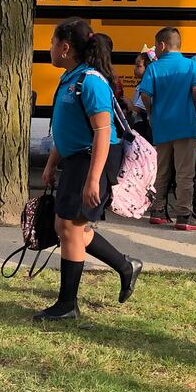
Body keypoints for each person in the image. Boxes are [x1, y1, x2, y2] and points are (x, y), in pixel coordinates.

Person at [35, 18, 142, 322]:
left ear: (65, 47)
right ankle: (125, 265)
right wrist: (52, 163)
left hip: (90, 161)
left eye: (53, 43)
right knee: (68, 227)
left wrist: (93, 179)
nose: (50, 48)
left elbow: (102, 133)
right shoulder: (70, 77)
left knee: (69, 228)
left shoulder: (91, 81)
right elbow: (68, 128)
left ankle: (68, 304)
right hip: (75, 161)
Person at [137, 27, 196, 231]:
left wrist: (151, 112)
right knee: (185, 173)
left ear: (162, 45)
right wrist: (193, 107)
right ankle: (184, 215)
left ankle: (158, 211)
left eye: (156, 45)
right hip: (185, 125)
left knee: (162, 169)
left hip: (161, 125)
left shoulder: (154, 68)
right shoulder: (190, 65)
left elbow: (145, 95)